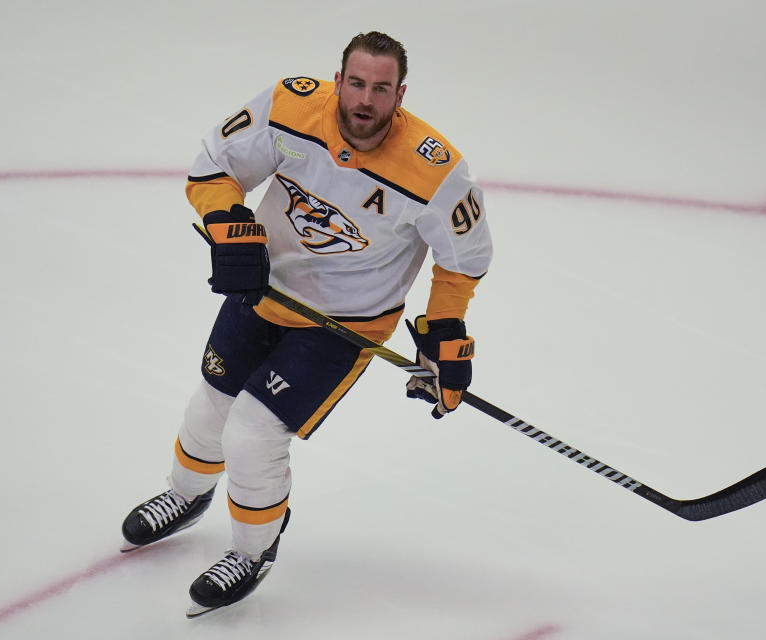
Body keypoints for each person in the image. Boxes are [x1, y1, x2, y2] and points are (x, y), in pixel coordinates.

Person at [121, 31, 492, 617]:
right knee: (209, 407)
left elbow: (463, 261)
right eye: (356, 83)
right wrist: (228, 224)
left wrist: (445, 332)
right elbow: (214, 167)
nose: (365, 100)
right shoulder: (291, 106)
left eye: (381, 88)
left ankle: (251, 549)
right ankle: (185, 496)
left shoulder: (436, 170)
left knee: (252, 433)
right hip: (263, 291)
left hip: (342, 327)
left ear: (401, 94)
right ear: (338, 79)